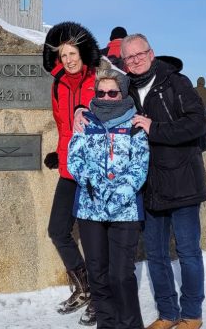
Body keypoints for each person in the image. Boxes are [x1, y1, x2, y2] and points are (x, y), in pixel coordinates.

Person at [118, 33, 206, 329]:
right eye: (128, 58)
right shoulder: (127, 89)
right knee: (156, 255)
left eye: (139, 54)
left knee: (188, 253)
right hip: (150, 186)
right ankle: (168, 313)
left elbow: (197, 123)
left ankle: (192, 314)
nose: (134, 60)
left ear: (151, 53)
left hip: (182, 181)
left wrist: (155, 129)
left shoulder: (175, 82)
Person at [67, 67, 149, 329]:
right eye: (100, 92)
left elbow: (139, 167)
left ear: (122, 94)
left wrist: (117, 195)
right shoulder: (85, 122)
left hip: (124, 212)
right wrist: (91, 183)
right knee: (98, 275)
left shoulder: (135, 125)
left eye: (112, 93)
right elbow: (75, 158)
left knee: (121, 275)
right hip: (90, 211)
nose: (105, 96)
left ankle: (130, 324)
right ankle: (106, 324)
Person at [42, 21, 100, 325]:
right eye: (63, 55)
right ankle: (85, 288)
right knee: (57, 230)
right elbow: (64, 126)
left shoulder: (98, 81)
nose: (68, 59)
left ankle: (99, 299)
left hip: (93, 172)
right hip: (69, 169)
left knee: (93, 238)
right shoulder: (58, 84)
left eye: (72, 53)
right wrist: (58, 151)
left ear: (82, 52)